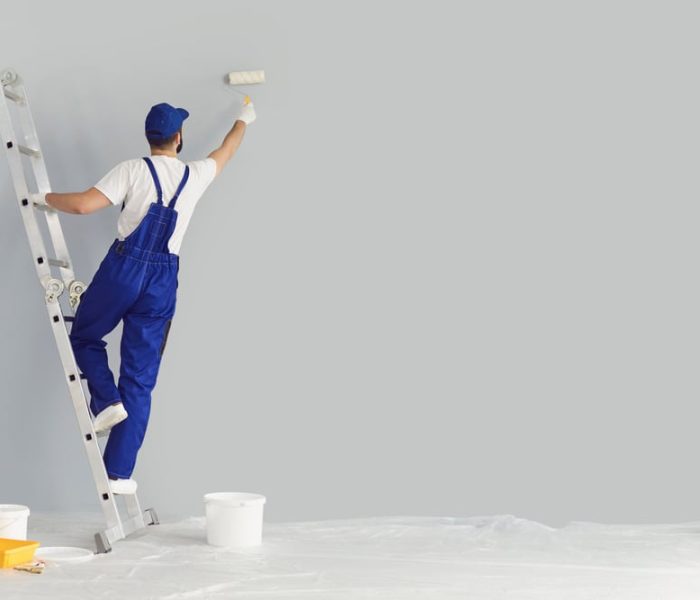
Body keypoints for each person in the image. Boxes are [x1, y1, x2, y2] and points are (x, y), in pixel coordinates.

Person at [30, 99, 256, 495]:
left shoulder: (133, 169)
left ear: (149, 136)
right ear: (179, 137)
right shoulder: (197, 173)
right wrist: (244, 117)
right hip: (164, 280)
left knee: (83, 336)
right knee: (140, 379)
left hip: (123, 270)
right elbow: (229, 147)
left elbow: (83, 206)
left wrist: (44, 198)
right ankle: (118, 474)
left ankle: (105, 401)